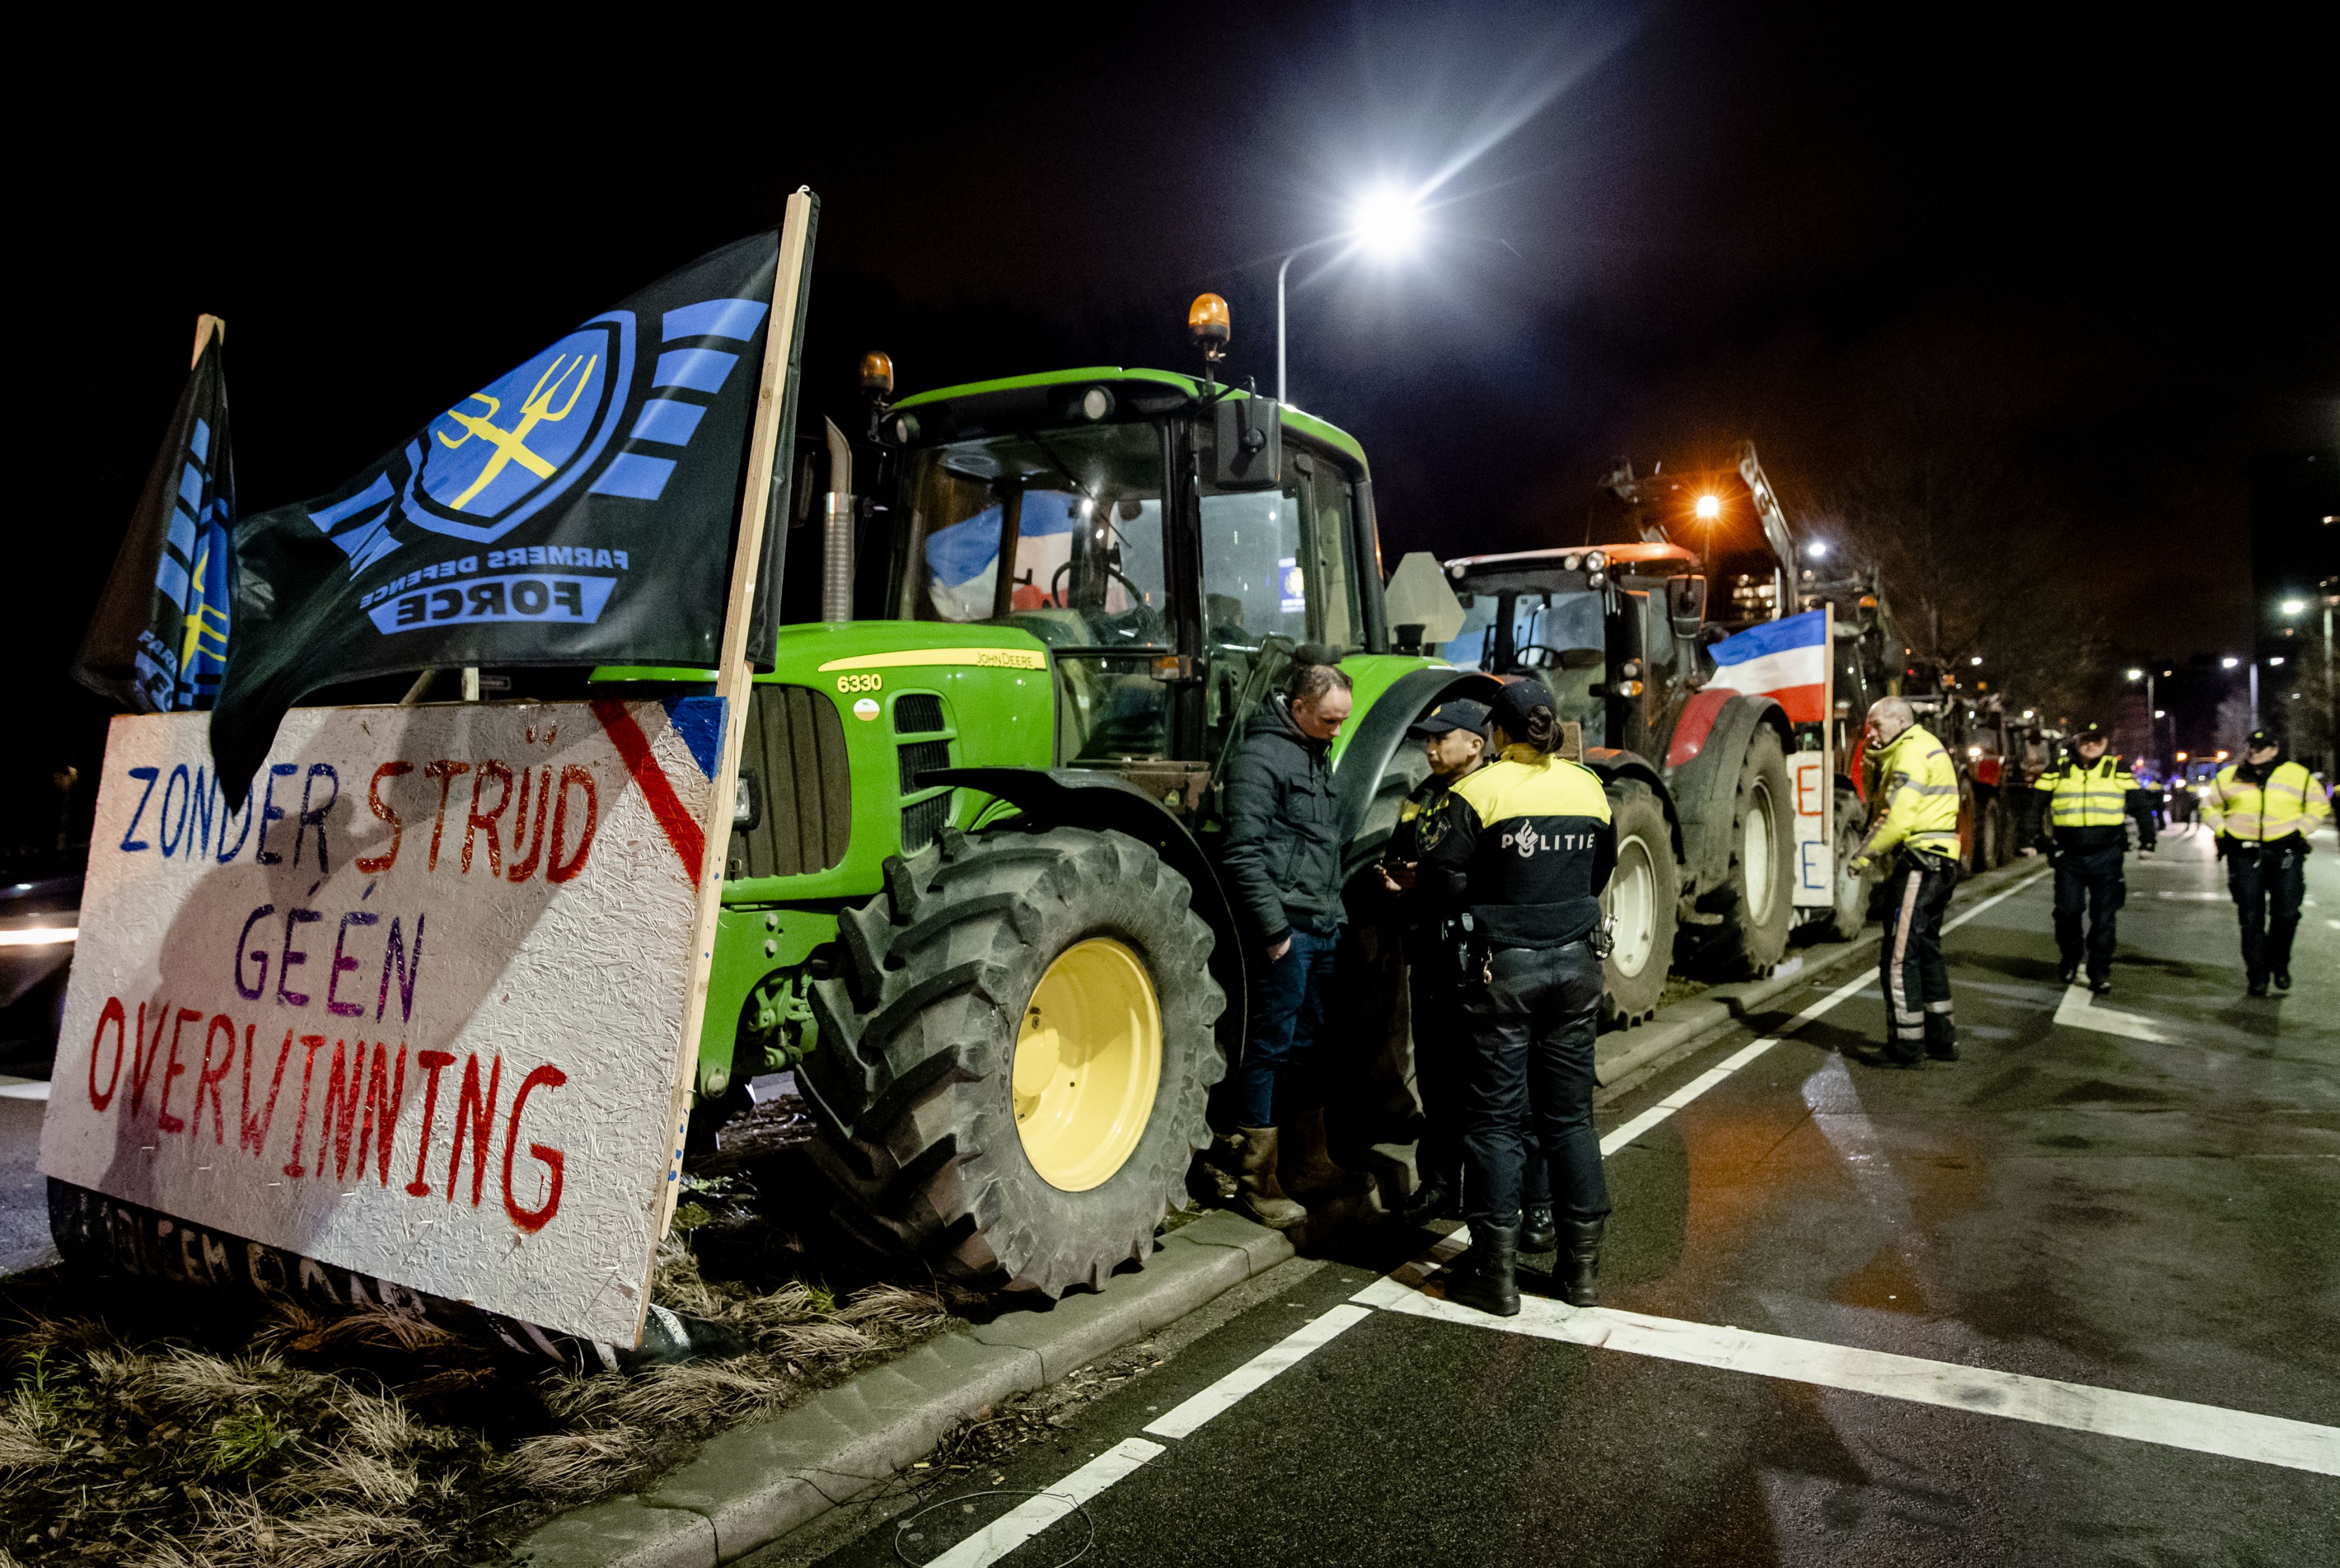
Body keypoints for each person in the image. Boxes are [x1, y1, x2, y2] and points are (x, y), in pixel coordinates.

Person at [1420, 680, 1615, 1317]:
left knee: (1496, 1123)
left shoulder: (1478, 791)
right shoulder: (1587, 787)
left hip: (1502, 975)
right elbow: (1601, 869)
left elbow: (1442, 880)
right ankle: (1579, 1274)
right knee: (1570, 1120)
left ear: (1498, 733)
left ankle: (1498, 1280)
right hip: (1578, 967)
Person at [1375, 698, 1558, 1247]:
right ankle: (1438, 1184)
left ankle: (1537, 1205)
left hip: (1488, 963)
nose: (1429, 748)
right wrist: (1400, 882)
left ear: (1476, 744)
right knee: (1437, 1079)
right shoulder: (1422, 798)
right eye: (1426, 740)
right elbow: (1405, 856)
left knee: (1510, 1092)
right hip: (1433, 957)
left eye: (1440, 739)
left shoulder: (1503, 793)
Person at [1217, 646, 1367, 1228]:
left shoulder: (1312, 751)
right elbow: (1242, 853)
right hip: (1290, 933)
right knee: (1269, 1049)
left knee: (1308, 1046)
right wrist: (1275, 931)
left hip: (1321, 924)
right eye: (1330, 718)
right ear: (1299, 705)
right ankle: (1256, 1178)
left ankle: (1308, 1162)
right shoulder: (1261, 759)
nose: (1338, 728)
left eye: (1342, 718)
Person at [1847, 697, 1962, 1066]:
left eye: (1877, 724)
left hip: (1919, 861)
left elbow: (1895, 817)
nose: (1871, 732)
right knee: (1926, 948)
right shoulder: (1924, 747)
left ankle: (1907, 1045)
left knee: (1899, 958)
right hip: (1940, 860)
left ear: (1900, 720)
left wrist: (1862, 856)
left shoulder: (1911, 754)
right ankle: (1941, 1040)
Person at [2203, 729, 2333, 995]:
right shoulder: (2229, 775)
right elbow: (2209, 807)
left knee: (2287, 913)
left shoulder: (2298, 775)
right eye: (2251, 745)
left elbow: (2318, 805)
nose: (2255, 751)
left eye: (2262, 747)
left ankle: (2280, 963)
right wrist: (2222, 830)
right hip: (2244, 853)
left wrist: (2301, 831)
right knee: (2251, 917)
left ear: (2275, 749)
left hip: (2285, 852)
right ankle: (2258, 973)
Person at [2032, 722, 2157, 994]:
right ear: (2075, 742)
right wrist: (2030, 839)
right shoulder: (2057, 770)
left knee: (2104, 917)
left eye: (2097, 740)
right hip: (2069, 855)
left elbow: (2140, 806)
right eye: (2086, 740)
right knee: (2067, 912)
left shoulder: (2118, 769)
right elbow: (2036, 806)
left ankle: (2100, 970)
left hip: (2107, 855)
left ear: (2106, 743)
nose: (2092, 745)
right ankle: (2071, 957)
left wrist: (2148, 841)